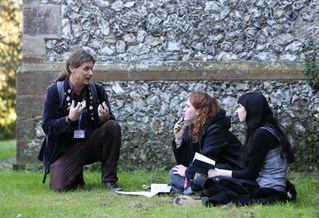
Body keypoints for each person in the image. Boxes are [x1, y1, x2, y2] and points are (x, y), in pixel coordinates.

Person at [174, 92, 296, 206]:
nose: (237, 111)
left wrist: (218, 172)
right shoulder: (262, 130)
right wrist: (179, 140)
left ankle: (196, 197)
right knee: (201, 177)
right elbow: (188, 161)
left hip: (267, 188)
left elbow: (250, 174)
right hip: (261, 183)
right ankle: (191, 189)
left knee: (214, 180)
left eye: (240, 107)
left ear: (250, 109)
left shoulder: (262, 133)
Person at [38, 48, 122, 192]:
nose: (91, 73)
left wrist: (105, 118)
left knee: (112, 126)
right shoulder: (54, 91)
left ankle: (109, 180)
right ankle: (76, 176)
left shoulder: (97, 90)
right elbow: (47, 127)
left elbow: (108, 125)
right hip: (65, 149)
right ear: (72, 68)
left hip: (89, 144)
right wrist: (69, 119)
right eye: (86, 69)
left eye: (92, 69)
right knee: (59, 187)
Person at [169, 91, 243, 194]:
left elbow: (207, 158)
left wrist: (187, 172)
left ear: (198, 111)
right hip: (203, 171)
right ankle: (192, 187)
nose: (184, 109)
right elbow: (184, 163)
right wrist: (179, 140)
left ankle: (190, 188)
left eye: (187, 106)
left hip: (227, 171)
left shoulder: (216, 129)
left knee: (199, 176)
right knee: (174, 171)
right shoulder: (191, 129)